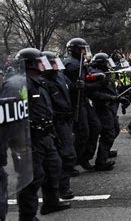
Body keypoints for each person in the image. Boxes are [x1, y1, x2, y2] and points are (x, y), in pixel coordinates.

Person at [15, 48, 71, 220]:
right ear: (30, 64)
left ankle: (51, 202)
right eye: (40, 61)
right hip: (30, 138)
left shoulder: (39, 81)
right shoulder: (21, 84)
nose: (43, 64)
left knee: (54, 167)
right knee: (32, 179)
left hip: (46, 134)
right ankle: (27, 216)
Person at [41, 51, 77, 199]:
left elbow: (71, 88)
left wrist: (78, 85)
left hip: (67, 120)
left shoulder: (61, 76)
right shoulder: (44, 83)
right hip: (57, 122)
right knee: (66, 155)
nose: (57, 65)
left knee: (66, 154)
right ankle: (62, 188)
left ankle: (61, 187)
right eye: (53, 63)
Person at [63, 38, 101, 171]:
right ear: (77, 49)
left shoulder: (79, 63)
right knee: (82, 132)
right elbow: (78, 87)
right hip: (76, 102)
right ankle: (73, 161)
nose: (85, 51)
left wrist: (96, 78)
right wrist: (96, 85)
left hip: (84, 100)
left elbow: (86, 79)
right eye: (83, 49)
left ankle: (84, 157)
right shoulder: (71, 65)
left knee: (95, 127)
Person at [88, 53, 126, 171]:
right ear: (101, 63)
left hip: (109, 106)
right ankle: (101, 162)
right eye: (106, 63)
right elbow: (95, 94)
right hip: (101, 107)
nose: (109, 65)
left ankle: (105, 151)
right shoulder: (96, 75)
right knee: (108, 133)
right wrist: (113, 98)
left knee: (115, 129)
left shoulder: (104, 74)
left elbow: (110, 89)